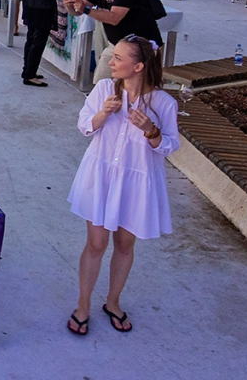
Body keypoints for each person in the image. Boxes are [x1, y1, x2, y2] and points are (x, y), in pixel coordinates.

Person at [66, 36, 178, 337]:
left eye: (117, 58)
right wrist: (104, 112)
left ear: (138, 66)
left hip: (137, 181)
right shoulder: (104, 89)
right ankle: (83, 305)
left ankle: (113, 302)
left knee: (125, 244)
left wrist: (150, 130)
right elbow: (84, 125)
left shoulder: (164, 103)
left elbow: (169, 146)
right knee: (96, 243)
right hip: (101, 176)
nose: (110, 62)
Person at [64, 0, 162, 83]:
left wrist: (85, 9)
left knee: (140, 91)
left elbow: (114, 18)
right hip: (117, 46)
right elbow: (79, 10)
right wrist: (70, 5)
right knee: (100, 85)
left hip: (141, 48)